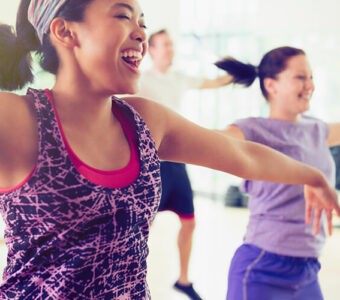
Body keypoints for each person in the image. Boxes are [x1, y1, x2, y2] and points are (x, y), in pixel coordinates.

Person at [0, 1, 339, 299]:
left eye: (142, 23)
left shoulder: (145, 120)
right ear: (65, 31)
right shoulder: (17, 119)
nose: (140, 34)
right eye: (123, 16)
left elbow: (245, 157)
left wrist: (314, 177)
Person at [215, 46, 340, 300]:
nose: (311, 85)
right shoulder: (252, 130)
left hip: (308, 270)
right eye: (300, 77)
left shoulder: (317, 129)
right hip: (262, 266)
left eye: (312, 77)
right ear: (271, 85)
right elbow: (201, 142)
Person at [136, 29, 232, 300]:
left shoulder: (179, 78)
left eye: (171, 45)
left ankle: (183, 279)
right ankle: (131, 277)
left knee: (189, 222)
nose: (170, 49)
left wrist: (241, 73)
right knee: (143, 227)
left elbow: (212, 83)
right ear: (151, 49)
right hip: (152, 165)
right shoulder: (141, 80)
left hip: (177, 162)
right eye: (165, 45)